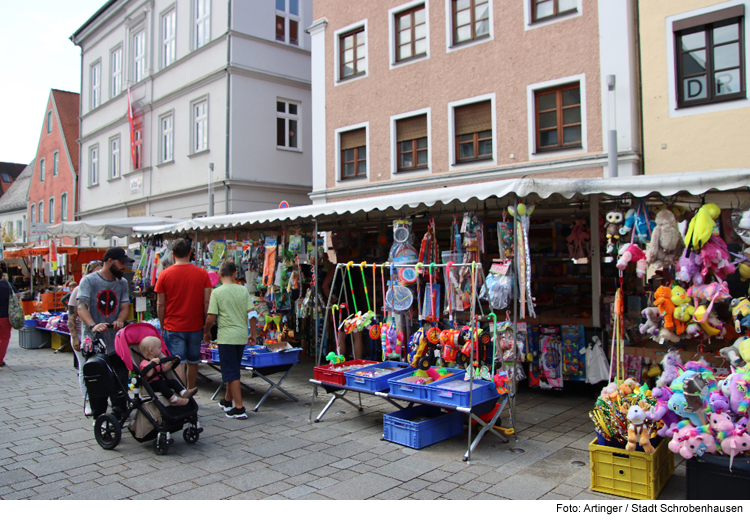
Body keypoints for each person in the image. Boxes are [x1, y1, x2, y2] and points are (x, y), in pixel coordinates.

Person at [77, 247, 133, 419]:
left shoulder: (122, 283)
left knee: (121, 378)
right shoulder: (89, 281)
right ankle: (99, 415)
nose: (124, 266)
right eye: (121, 262)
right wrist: (93, 325)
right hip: (94, 341)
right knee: (98, 380)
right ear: (109, 261)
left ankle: (119, 411)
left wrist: (120, 320)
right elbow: (81, 307)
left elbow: (124, 307)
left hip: (115, 342)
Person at [202, 260, 257, 419]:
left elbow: (211, 318)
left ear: (219, 275)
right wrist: (253, 334)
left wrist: (206, 332)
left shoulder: (217, 292)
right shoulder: (243, 290)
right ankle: (227, 400)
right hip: (241, 336)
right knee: (232, 369)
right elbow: (252, 314)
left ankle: (239, 408)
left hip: (226, 338)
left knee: (231, 372)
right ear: (235, 274)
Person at [155, 239, 212, 391]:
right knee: (193, 361)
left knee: (177, 361)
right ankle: (190, 388)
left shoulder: (164, 275)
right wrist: (206, 326)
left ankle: (180, 392)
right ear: (190, 253)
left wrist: (161, 325)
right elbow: (207, 303)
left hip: (172, 325)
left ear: (173, 254)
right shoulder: (202, 273)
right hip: (195, 325)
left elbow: (160, 304)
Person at [68, 260, 103, 414]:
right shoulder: (78, 290)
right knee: (85, 368)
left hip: (99, 335)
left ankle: (100, 399)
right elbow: (71, 316)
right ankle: (88, 401)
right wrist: (75, 337)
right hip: (83, 335)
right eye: (95, 272)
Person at [138, 336, 198, 406]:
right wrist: (151, 364)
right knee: (162, 385)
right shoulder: (144, 363)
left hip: (160, 381)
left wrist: (171, 362)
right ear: (151, 351)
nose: (161, 349)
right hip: (151, 384)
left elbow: (163, 369)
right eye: (159, 347)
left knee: (173, 382)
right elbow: (148, 374)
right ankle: (174, 400)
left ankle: (184, 393)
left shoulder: (158, 360)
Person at [0, 275, 18, 367]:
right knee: (4, 338)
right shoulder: (8, 285)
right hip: (5, 315)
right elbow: (17, 296)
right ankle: (0, 360)